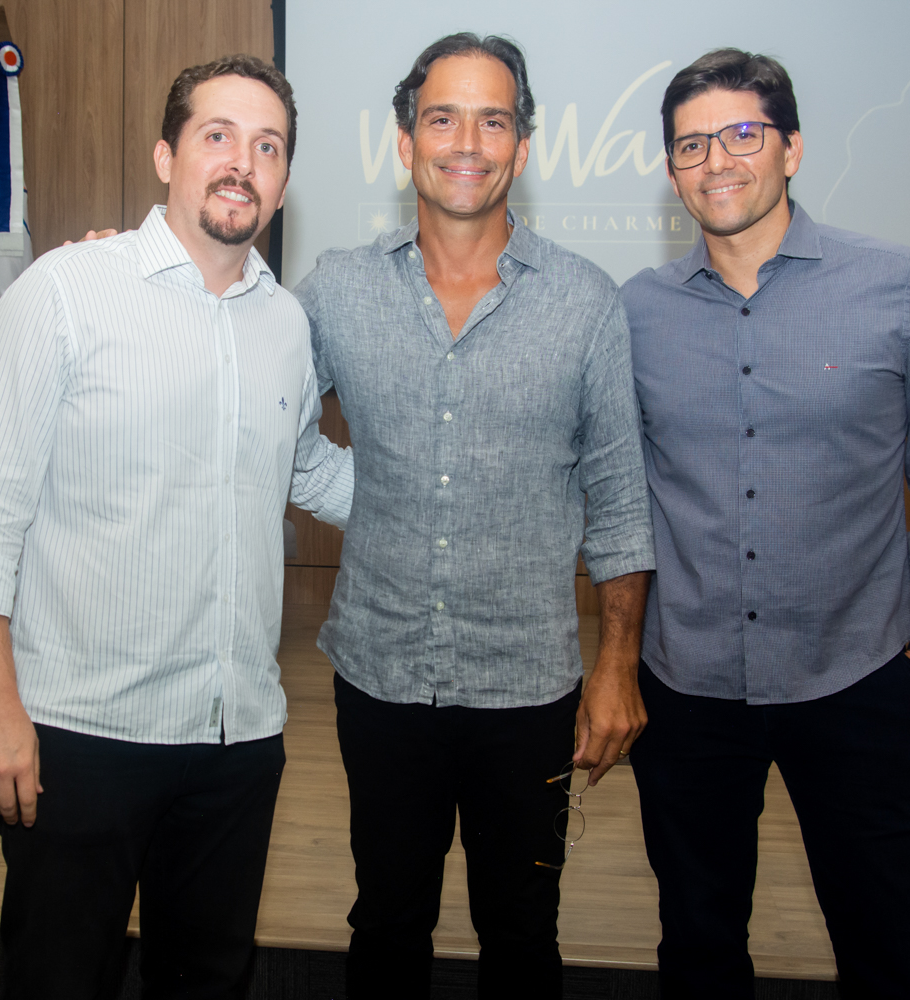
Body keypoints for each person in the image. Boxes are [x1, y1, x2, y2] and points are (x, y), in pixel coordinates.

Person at [0, 55, 352, 999]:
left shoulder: (285, 324)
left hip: (237, 739)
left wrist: (459, 495)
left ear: (284, 180)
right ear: (166, 157)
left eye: (268, 147)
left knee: (208, 983)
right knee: (59, 982)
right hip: (80, 738)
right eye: (218, 136)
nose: (242, 163)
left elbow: (307, 470)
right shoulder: (65, 291)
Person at [620, 49, 910, 999]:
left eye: (742, 134)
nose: (717, 160)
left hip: (861, 677)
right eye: (691, 145)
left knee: (896, 949)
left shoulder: (899, 284)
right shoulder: (636, 313)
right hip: (688, 688)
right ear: (672, 171)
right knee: (698, 949)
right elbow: (620, 498)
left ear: (792, 148)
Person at [292, 33, 656, 1000]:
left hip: (528, 691)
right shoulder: (335, 290)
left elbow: (621, 500)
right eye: (442, 118)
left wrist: (617, 667)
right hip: (379, 677)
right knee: (386, 923)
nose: (466, 142)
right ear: (405, 141)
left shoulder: (585, 303)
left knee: (523, 933)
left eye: (492, 121)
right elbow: (256, 400)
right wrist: (134, 263)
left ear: (522, 148)